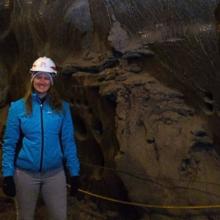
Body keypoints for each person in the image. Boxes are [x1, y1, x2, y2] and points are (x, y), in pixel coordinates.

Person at [2, 56, 80, 220]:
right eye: (38, 76)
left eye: (46, 77)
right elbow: (9, 143)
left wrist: (74, 172)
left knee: (59, 217)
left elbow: (68, 142)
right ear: (32, 79)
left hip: (55, 174)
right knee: (25, 217)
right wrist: (7, 174)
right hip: (25, 174)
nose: (42, 81)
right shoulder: (17, 107)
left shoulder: (62, 108)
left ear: (52, 81)